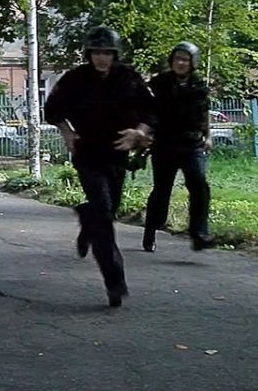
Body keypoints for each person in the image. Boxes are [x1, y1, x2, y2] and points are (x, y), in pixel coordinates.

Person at [44, 26, 154, 307]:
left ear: (115, 54)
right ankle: (114, 280)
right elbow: (52, 110)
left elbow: (151, 111)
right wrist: (67, 133)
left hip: (117, 153)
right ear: (89, 54)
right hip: (88, 153)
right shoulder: (75, 79)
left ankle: (86, 216)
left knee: (106, 209)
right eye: (97, 52)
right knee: (104, 214)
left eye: (107, 52)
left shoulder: (128, 78)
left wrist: (140, 132)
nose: (101, 57)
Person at [142, 42, 216, 252]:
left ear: (192, 63)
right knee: (162, 189)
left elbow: (204, 113)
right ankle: (151, 229)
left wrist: (208, 136)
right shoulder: (159, 84)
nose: (181, 63)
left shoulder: (199, 86)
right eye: (177, 59)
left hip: (192, 143)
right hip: (164, 144)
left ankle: (199, 233)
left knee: (199, 184)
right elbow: (148, 110)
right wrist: (145, 134)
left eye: (185, 59)